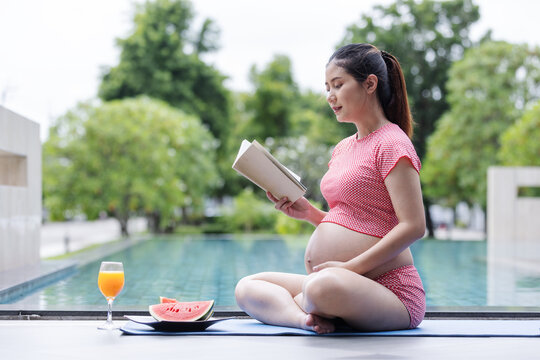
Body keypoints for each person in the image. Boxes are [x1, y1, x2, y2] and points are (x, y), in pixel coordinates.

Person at [235, 43, 426, 334]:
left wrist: (350, 269)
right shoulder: (343, 148)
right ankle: (306, 320)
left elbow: (413, 226)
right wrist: (309, 213)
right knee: (247, 287)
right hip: (335, 282)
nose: (330, 96)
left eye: (338, 85)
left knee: (320, 287)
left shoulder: (392, 142)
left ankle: (306, 303)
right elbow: (355, 221)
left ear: (370, 84)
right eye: (327, 87)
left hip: (389, 290)